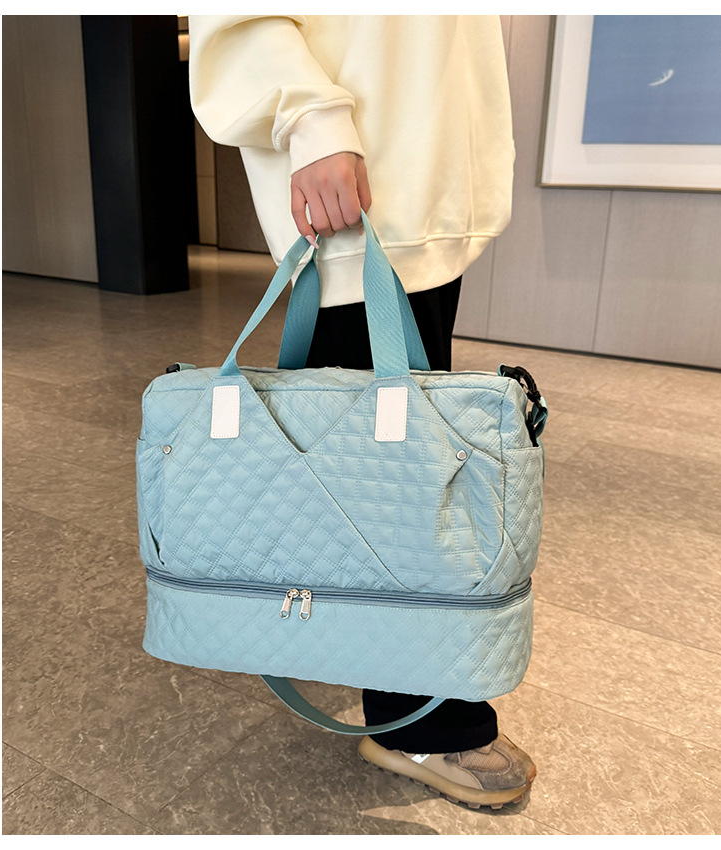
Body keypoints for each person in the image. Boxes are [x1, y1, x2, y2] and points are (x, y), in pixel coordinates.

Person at [187, 14, 536, 809]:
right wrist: (310, 118)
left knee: (389, 456)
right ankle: (421, 722)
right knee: (396, 478)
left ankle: (365, 651)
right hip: (353, 170)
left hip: (415, 168)